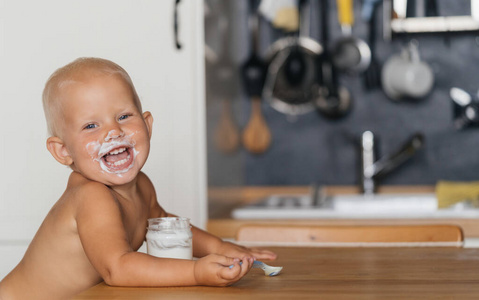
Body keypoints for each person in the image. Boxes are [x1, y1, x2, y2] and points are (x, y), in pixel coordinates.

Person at [0, 57, 277, 300]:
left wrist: (221, 248)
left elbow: (166, 226)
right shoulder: (92, 196)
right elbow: (117, 268)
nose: (113, 132)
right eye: (91, 126)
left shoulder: (141, 185)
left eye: (123, 116)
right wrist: (195, 271)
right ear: (63, 151)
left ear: (147, 125)